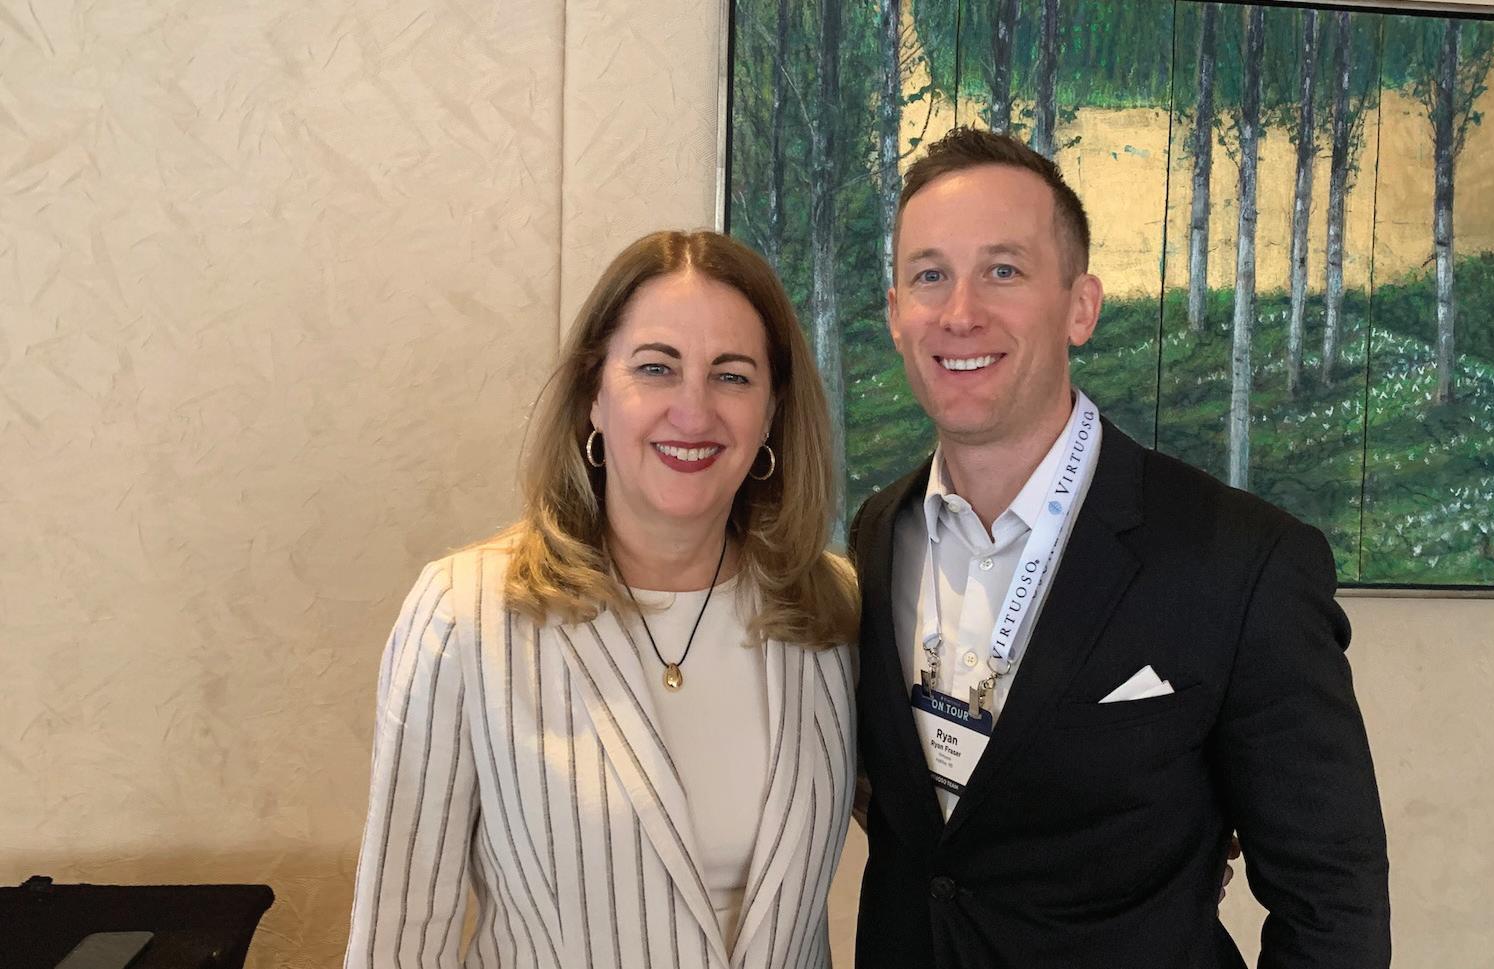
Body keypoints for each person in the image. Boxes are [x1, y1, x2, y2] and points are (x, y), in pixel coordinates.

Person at [848, 128, 1390, 968]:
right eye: (930, 275)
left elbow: (1333, 910)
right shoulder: (879, 535)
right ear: (895, 314)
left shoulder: (1243, 562)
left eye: (1003, 270)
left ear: (1081, 306)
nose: (960, 312)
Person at [345, 230, 860, 969]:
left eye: (732, 376)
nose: (693, 411)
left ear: (773, 409)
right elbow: (398, 940)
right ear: (594, 393)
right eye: (656, 368)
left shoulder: (831, 610)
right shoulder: (466, 615)